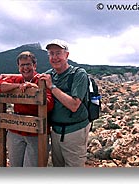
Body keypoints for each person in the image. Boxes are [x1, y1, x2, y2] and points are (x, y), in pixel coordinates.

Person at [0, 51, 54, 167]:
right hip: (15, 130)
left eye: (28, 64)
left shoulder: (41, 80)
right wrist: (18, 86)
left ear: (34, 65)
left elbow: (49, 104)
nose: (25, 68)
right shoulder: (17, 79)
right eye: (22, 65)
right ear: (18, 67)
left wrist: (34, 90)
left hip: (36, 133)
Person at [39, 39, 91, 167]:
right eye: (51, 54)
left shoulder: (78, 74)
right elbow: (30, 79)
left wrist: (52, 87)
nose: (54, 57)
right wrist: (5, 77)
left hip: (75, 131)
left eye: (58, 53)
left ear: (66, 55)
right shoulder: (49, 74)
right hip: (55, 131)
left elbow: (74, 105)